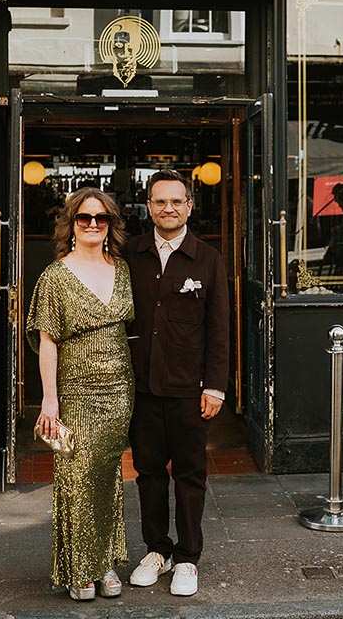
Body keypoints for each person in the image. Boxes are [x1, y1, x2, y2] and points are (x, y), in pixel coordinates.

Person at [26, 187, 134, 602]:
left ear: (111, 225)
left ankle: (104, 561)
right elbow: (48, 341)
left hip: (120, 388)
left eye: (101, 218)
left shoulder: (122, 269)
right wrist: (49, 400)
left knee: (107, 475)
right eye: (84, 218)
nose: (92, 224)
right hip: (75, 390)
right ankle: (79, 567)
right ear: (71, 224)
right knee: (77, 476)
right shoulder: (55, 275)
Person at [124, 169, 229, 597]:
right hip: (142, 387)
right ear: (149, 207)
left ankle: (187, 557)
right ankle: (157, 549)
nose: (168, 208)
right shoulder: (131, 254)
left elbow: (219, 328)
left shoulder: (208, 259)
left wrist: (215, 387)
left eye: (176, 201)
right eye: (159, 201)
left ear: (189, 206)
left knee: (189, 474)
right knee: (148, 473)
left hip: (189, 388)